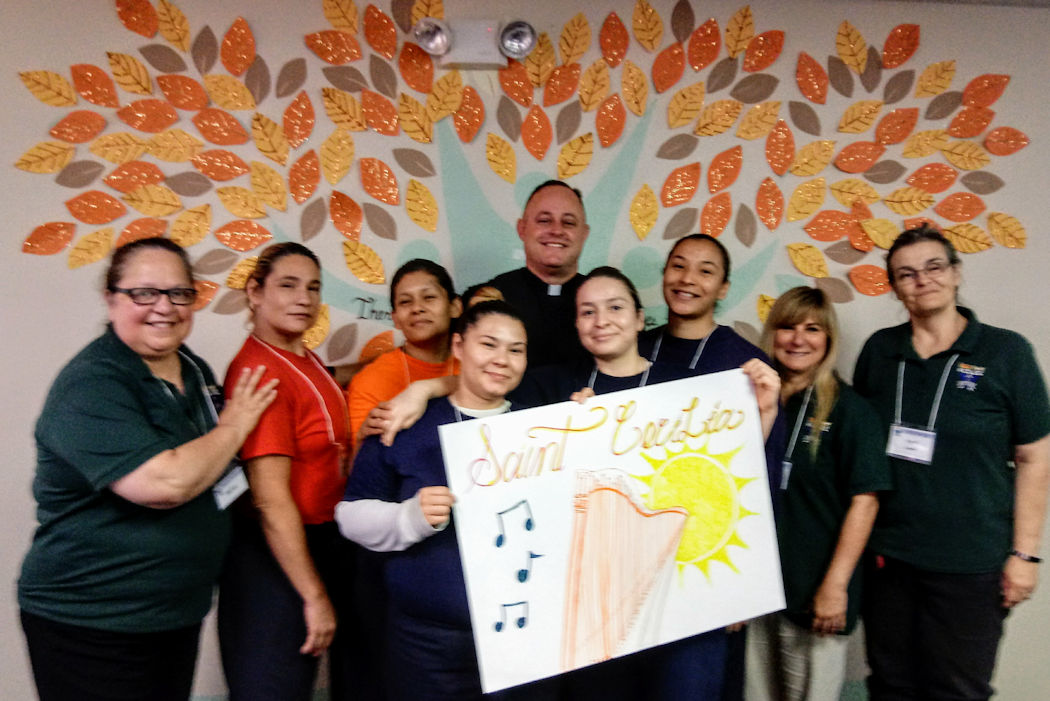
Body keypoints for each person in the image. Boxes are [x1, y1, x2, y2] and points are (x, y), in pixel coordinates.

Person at [18, 238, 277, 701]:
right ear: (111, 298)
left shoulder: (192, 369)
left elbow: (215, 465)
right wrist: (237, 424)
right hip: (94, 624)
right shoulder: (92, 383)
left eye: (179, 293)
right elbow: (165, 483)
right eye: (144, 293)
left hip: (173, 615)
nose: (164, 307)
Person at [853, 224, 1050, 701]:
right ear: (894, 287)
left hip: (971, 562)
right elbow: (860, 449)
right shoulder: (880, 351)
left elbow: (1034, 456)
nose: (922, 280)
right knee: (890, 686)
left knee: (958, 691)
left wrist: (1025, 555)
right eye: (906, 274)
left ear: (956, 273)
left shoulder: (1006, 352)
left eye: (934, 266)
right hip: (889, 558)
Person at [336, 301, 534, 701]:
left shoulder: (542, 427)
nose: (502, 359)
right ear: (459, 346)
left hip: (524, 636)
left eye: (516, 350)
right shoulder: (404, 423)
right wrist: (409, 517)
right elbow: (349, 515)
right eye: (489, 344)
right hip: (427, 644)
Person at [638, 233, 787, 700]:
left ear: (723, 288)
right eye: (678, 265)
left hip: (706, 568)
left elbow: (760, 485)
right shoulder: (633, 348)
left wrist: (741, 585)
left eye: (705, 271)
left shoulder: (746, 366)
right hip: (633, 561)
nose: (688, 279)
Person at [218, 243, 358, 701]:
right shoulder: (261, 371)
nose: (304, 299)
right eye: (288, 285)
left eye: (313, 288)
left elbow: (325, 391)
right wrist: (313, 595)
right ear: (254, 292)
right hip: (276, 557)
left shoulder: (304, 357)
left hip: (316, 542)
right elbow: (270, 499)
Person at [746, 287, 891, 701]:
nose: (798, 339)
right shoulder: (754, 401)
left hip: (814, 591)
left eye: (812, 329)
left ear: (828, 339)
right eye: (788, 327)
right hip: (758, 590)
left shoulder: (852, 411)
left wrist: (835, 586)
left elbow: (865, 502)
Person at [347, 259, 462, 445]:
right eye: (405, 301)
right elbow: (361, 461)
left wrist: (425, 389)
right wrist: (364, 443)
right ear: (395, 319)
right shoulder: (371, 380)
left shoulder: (478, 363)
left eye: (429, 297)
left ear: (454, 307)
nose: (417, 308)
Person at [485, 179, 590, 368]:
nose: (557, 230)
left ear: (584, 234)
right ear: (522, 229)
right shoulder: (492, 297)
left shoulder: (603, 303)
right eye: (544, 221)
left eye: (568, 222)